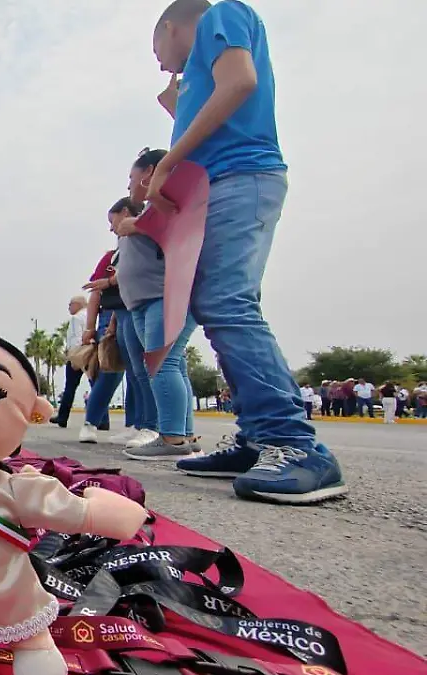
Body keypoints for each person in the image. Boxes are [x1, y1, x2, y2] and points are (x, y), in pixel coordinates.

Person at [148, 0, 346, 503]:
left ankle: (293, 443)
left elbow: (241, 83)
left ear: (171, 27)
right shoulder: (196, 70)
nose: (163, 65)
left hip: (241, 176)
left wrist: (168, 160)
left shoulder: (223, 14)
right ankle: (259, 436)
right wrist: (179, 106)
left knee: (228, 302)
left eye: (159, 52)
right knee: (215, 303)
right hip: (220, 180)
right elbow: (225, 98)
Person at [115, 149, 200, 460]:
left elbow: (170, 225)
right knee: (171, 365)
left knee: (161, 365)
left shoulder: (166, 203)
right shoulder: (149, 210)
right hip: (145, 302)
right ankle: (184, 435)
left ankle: (172, 438)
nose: (129, 186)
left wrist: (133, 224)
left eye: (132, 178)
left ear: (149, 172)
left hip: (163, 297)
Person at [80, 198, 157, 447]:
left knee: (140, 372)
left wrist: (110, 283)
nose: (111, 228)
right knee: (119, 371)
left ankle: (145, 424)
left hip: (139, 308)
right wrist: (95, 326)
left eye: (112, 221)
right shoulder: (112, 257)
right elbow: (95, 294)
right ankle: (122, 423)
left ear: (125, 213)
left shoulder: (142, 245)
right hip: (119, 313)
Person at [50, 295, 89, 428]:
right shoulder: (92, 316)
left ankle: (62, 417)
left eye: (70, 305)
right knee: (97, 386)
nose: (69, 308)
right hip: (92, 353)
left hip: (79, 354)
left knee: (70, 387)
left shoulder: (76, 318)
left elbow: (75, 338)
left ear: (78, 304)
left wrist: (73, 358)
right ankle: (102, 420)